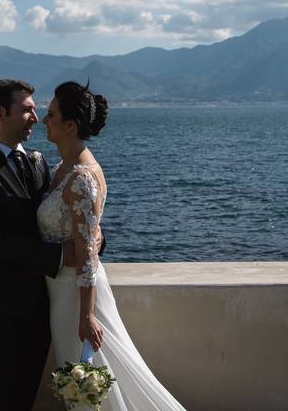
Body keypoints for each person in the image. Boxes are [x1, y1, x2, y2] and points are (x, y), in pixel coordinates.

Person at [39, 81, 187, 410]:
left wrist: (88, 315)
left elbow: (88, 253)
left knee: (93, 387)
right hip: (60, 295)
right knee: (82, 388)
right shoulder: (62, 169)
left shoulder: (80, 177)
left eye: (50, 115)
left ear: (70, 125)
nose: (42, 120)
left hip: (76, 300)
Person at [0, 79, 76, 411]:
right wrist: (63, 256)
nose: (36, 119)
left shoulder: (38, 162)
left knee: (24, 398)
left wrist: (92, 240)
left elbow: (56, 218)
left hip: (40, 309)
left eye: (36, 111)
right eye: (27, 110)